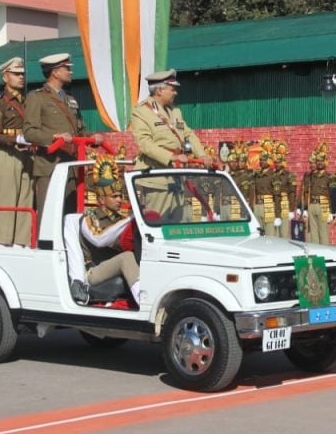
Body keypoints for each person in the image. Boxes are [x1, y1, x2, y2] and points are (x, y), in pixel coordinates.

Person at [23, 53, 100, 217]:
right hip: (50, 166)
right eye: (67, 69)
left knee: (69, 214)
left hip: (71, 165)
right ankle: (45, 244)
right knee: (49, 215)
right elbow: (29, 132)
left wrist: (94, 138)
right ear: (55, 72)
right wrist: (53, 137)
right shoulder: (36, 97)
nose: (70, 72)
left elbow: (79, 130)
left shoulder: (70, 99)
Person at [69, 154, 140, 308]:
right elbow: (99, 239)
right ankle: (144, 302)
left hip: (112, 266)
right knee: (127, 258)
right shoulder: (90, 217)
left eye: (120, 196)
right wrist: (130, 220)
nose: (119, 200)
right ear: (101, 200)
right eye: (114, 196)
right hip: (94, 271)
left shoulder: (120, 218)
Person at [0, 56, 33, 246]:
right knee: (7, 196)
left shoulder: (27, 101)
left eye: (22, 74)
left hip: (27, 152)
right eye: (16, 74)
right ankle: (0, 240)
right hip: (8, 152)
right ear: (5, 77)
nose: (21, 77)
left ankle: (21, 241)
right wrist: (17, 138)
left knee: (25, 197)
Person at [130, 69, 213, 169]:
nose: (176, 93)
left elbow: (188, 134)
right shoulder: (141, 111)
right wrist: (171, 157)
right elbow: (145, 144)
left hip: (176, 173)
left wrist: (202, 155)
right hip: (153, 176)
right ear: (159, 90)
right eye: (172, 89)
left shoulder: (175, 110)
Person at [300, 142, 334, 245]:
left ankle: (325, 255)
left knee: (323, 233)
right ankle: (316, 255)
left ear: (325, 162)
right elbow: (306, 192)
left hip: (323, 206)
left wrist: (332, 212)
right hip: (312, 205)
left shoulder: (330, 177)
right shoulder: (311, 176)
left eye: (321, 161)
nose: (319, 163)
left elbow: (333, 195)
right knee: (312, 233)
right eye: (317, 161)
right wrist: (305, 209)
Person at [252, 139, 279, 236]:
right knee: (258, 233)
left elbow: (277, 196)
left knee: (269, 234)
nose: (261, 162)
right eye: (260, 160)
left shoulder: (273, 175)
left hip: (268, 206)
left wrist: (278, 215)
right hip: (258, 206)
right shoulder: (257, 174)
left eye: (263, 160)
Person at [271, 140, 296, 238]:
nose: (277, 164)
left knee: (284, 233)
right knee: (275, 233)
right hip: (274, 205)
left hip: (284, 204)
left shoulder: (289, 175)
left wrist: (291, 209)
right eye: (275, 163)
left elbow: (292, 193)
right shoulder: (272, 175)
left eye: (279, 162)